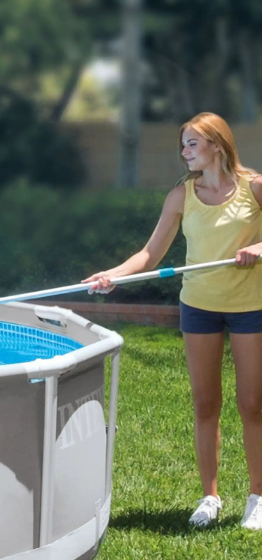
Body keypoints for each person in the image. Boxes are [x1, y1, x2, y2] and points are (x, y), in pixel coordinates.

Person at [83, 112, 262, 529]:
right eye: (183, 144)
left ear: (217, 144)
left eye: (192, 143)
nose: (185, 152)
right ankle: (210, 497)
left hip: (250, 306)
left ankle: (257, 497)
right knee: (205, 403)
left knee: (253, 403)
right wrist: (114, 276)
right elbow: (150, 254)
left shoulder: (254, 188)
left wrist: (260, 248)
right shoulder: (182, 195)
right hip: (198, 305)